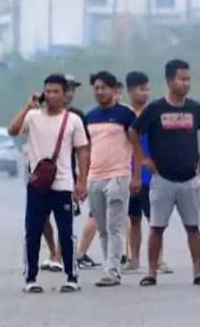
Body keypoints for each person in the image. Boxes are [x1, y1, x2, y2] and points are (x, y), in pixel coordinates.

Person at [130, 59, 200, 287]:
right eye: (181, 79)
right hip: (162, 178)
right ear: (169, 80)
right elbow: (133, 132)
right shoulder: (154, 109)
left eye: (188, 79)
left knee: (193, 227)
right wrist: (143, 158)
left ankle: (198, 272)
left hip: (189, 178)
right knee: (156, 227)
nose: (186, 83)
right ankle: (152, 272)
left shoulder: (195, 109)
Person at [8, 74, 90, 293]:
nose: (51, 95)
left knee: (66, 231)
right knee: (32, 231)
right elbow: (13, 130)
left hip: (63, 184)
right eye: (48, 91)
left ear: (65, 96)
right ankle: (31, 278)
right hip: (37, 184)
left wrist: (81, 181)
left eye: (56, 92)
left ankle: (71, 276)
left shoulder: (73, 120)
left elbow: (83, 150)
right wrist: (27, 106)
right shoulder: (33, 117)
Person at [83, 71, 140, 287]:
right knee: (102, 227)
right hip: (95, 177)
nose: (100, 91)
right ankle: (109, 266)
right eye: (96, 88)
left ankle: (113, 271)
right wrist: (82, 180)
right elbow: (86, 150)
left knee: (115, 225)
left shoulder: (125, 115)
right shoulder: (89, 117)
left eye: (103, 87)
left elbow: (135, 147)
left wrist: (135, 177)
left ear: (113, 90)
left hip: (118, 175)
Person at [41, 75, 87, 273]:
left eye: (73, 90)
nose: (69, 93)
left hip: (67, 173)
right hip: (41, 175)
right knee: (42, 217)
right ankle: (52, 250)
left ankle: (60, 255)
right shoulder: (39, 114)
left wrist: (83, 178)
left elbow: (83, 148)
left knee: (64, 218)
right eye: (66, 89)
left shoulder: (77, 116)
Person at [122, 71, 162, 273]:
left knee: (155, 220)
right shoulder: (126, 115)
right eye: (140, 89)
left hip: (150, 174)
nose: (145, 94)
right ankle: (134, 259)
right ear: (130, 91)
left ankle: (159, 259)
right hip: (128, 173)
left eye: (147, 89)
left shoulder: (153, 113)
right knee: (134, 218)